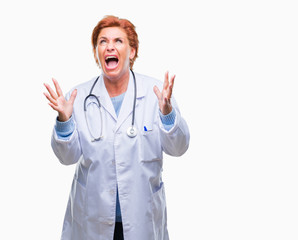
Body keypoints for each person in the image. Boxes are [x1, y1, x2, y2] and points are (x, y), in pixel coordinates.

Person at [44, 15, 190, 240]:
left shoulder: (156, 94)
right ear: (96, 53)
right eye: (102, 42)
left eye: (118, 41)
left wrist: (167, 113)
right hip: (91, 218)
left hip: (142, 217)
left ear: (131, 52)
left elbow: (178, 148)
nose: (109, 46)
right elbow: (67, 157)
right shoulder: (78, 96)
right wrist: (64, 120)